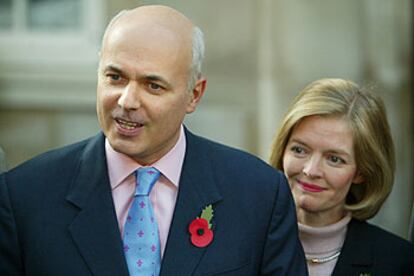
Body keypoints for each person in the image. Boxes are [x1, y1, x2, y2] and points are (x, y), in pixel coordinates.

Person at [0, 5, 307, 276]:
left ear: (194, 95)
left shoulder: (259, 195)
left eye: (153, 85)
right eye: (115, 77)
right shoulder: (24, 197)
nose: (128, 100)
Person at [269, 78, 414, 276]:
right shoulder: (243, 240)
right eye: (300, 149)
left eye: (334, 159)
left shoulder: (397, 262)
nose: (311, 170)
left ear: (362, 171)